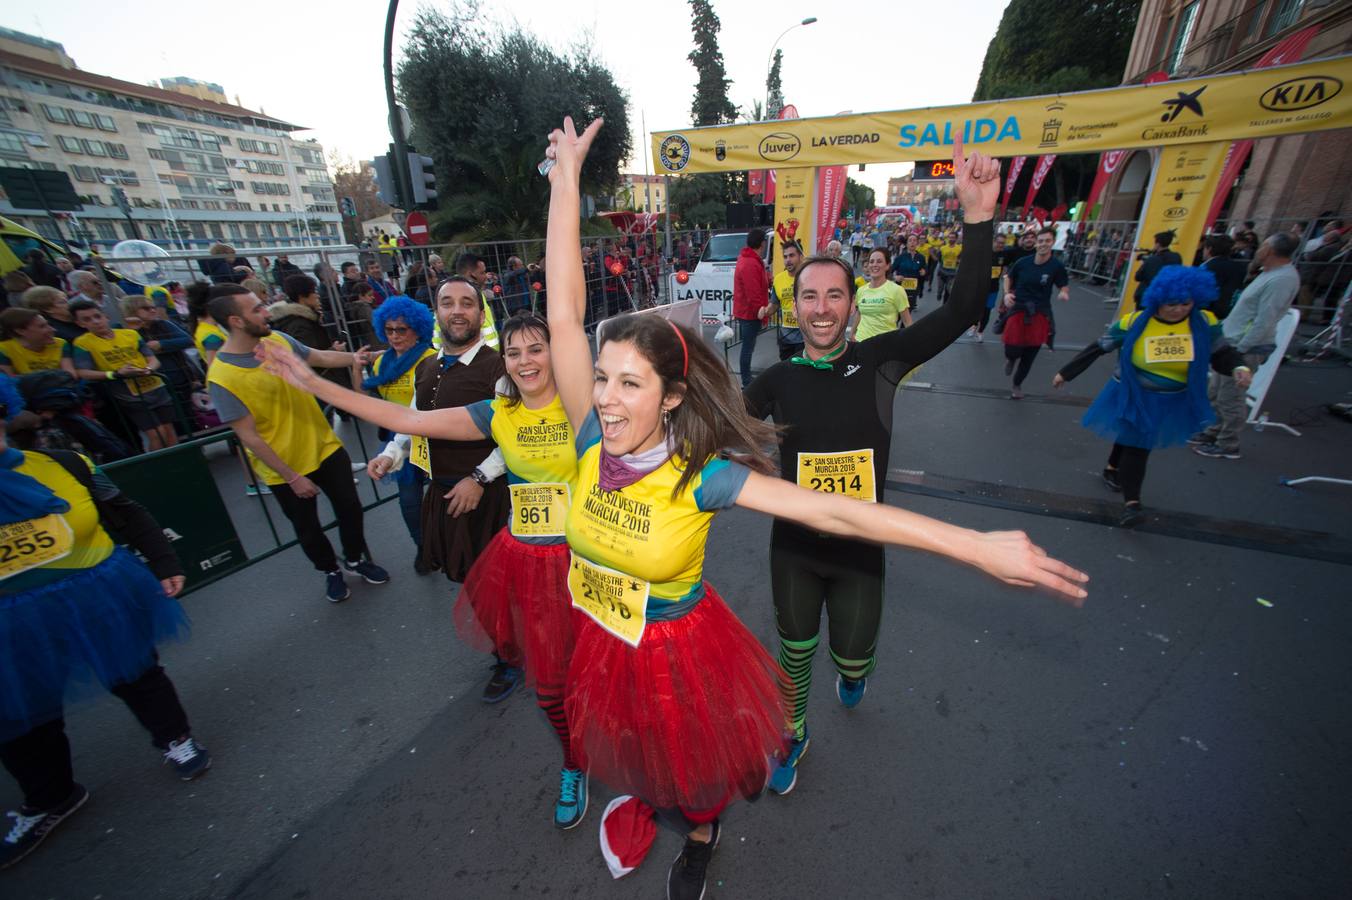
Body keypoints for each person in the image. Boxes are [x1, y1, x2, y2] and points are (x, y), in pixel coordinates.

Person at [543, 116, 1087, 900]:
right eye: (602, 377)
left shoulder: (711, 471)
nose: (605, 396)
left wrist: (974, 547)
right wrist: (566, 184)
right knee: (658, 743)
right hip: (607, 636)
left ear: (667, 396)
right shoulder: (593, 434)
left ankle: (704, 826)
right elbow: (565, 314)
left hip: (691, 642)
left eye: (629, 383)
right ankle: (740, 766)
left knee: (728, 746)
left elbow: (840, 513)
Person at [260, 311, 585, 828]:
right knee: (550, 685)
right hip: (532, 559)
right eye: (516, 351)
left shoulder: (583, 406)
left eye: (537, 349)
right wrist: (311, 381)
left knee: (604, 666)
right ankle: (575, 762)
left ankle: (616, 742)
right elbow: (407, 422)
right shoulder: (495, 413)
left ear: (557, 352)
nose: (526, 361)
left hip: (593, 559)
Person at [744, 149, 998, 797]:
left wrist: (978, 216)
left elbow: (965, 305)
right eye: (809, 296)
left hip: (861, 554)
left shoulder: (884, 360)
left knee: (851, 661)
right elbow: (726, 433)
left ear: (854, 305)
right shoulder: (774, 379)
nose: (822, 308)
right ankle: (794, 729)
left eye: (834, 296)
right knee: (794, 653)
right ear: (792, 306)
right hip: (795, 548)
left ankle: (853, 674)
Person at [0, 382, 209, 871]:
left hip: (93, 594)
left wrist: (162, 559)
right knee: (19, 711)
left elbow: (124, 511)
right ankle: (51, 797)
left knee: (136, 672)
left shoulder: (62, 465)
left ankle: (175, 738)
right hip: (11, 621)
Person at [366, 277, 513, 697]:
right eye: (448, 303)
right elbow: (413, 422)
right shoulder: (427, 367)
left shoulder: (498, 367)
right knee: (470, 580)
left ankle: (511, 656)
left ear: (480, 314)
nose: (457, 310)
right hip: (444, 493)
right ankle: (507, 649)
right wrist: (390, 456)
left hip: (488, 495)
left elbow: (516, 434)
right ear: (437, 314)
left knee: (496, 583)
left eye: (468, 303)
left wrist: (480, 478)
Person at [203, 282, 388, 602]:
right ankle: (330, 570)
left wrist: (360, 357)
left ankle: (356, 560)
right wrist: (292, 476)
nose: (266, 312)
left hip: (325, 448)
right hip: (284, 467)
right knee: (308, 528)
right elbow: (248, 437)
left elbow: (320, 357)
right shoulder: (221, 377)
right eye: (257, 309)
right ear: (235, 321)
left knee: (350, 508)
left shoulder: (277, 340)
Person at [1055, 266, 1250, 527]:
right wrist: (1066, 373)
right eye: (1172, 304)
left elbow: (1222, 353)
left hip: (1174, 397)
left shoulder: (1204, 322)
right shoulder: (1134, 322)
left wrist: (1239, 367)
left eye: (1185, 303)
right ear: (1158, 299)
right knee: (1139, 445)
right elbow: (1099, 347)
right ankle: (1132, 503)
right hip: (1134, 393)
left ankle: (1113, 467)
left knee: (1131, 436)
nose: (1179, 309)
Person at [1190, 232, 1301, 460]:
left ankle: (1228, 444)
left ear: (1270, 251)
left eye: (1264, 246)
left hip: (1245, 347)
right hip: (1231, 342)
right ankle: (1213, 432)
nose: (1259, 249)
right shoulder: (1268, 273)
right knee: (1217, 392)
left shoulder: (1282, 280)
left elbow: (1265, 319)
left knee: (1231, 397)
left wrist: (1241, 350)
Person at [359, 296, 437, 570]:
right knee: (409, 501)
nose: (394, 336)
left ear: (417, 329)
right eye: (389, 330)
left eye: (401, 329)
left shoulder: (432, 359)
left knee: (443, 498)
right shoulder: (382, 365)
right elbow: (373, 402)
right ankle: (423, 548)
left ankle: (450, 545)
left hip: (435, 439)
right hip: (401, 442)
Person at [67, 300, 178, 451]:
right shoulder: (82, 343)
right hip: (129, 396)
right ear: (80, 323)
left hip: (155, 387)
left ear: (105, 316)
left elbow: (152, 359)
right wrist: (115, 374)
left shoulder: (130, 334)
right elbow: (83, 372)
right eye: (87, 319)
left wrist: (148, 369)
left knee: (170, 431)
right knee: (156, 434)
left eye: (97, 316)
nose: (95, 322)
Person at [1000, 228, 1069, 400]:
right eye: (1041, 241)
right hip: (1019, 309)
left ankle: (1017, 384)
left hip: (1040, 313)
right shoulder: (1023, 262)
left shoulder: (1056, 266)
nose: (1043, 244)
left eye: (1047, 241)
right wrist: (1007, 294)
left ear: (1053, 242)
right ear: (1037, 243)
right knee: (1012, 346)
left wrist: (1063, 292)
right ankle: (1010, 358)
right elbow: (1008, 277)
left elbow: (1063, 284)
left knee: (1030, 354)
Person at [121, 295, 195, 429]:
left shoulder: (163, 324)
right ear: (131, 310)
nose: (152, 310)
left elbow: (188, 340)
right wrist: (134, 332)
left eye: (153, 307)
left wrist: (161, 344)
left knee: (188, 418)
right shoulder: (123, 330)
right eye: (145, 308)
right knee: (169, 424)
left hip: (178, 378)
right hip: (150, 385)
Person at [732, 229, 771, 388]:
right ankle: (747, 382)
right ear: (762, 243)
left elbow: (756, 285)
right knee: (747, 348)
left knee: (748, 347)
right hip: (750, 314)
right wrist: (761, 312)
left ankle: (747, 380)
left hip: (748, 312)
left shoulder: (750, 259)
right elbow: (753, 292)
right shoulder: (750, 262)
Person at [853, 247, 912, 342]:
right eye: (871, 262)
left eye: (879, 261)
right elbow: (859, 314)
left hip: (885, 345)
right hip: (861, 343)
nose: (874, 265)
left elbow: (907, 321)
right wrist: (852, 334)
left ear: (887, 265)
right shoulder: (861, 290)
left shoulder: (897, 290)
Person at [0, 308, 77, 378]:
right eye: (42, 326)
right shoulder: (4, 349)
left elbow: (71, 374)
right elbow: (8, 381)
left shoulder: (61, 343)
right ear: (20, 331)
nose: (53, 330)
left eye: (48, 324)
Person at [1199, 234, 1247, 320]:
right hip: (1228, 314)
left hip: (1206, 314)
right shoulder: (1240, 268)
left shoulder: (1206, 267)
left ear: (1209, 249)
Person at [773, 240, 805, 360]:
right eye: (785, 256)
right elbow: (774, 304)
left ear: (801, 257)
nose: (788, 260)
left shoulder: (809, 277)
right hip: (785, 337)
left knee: (802, 373)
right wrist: (765, 310)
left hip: (805, 338)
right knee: (786, 372)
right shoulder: (778, 279)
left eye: (792, 255)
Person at [1133, 231, 1183, 308]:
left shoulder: (1152, 259)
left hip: (1147, 295)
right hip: (1166, 295)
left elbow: (1138, 277)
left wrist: (1144, 264)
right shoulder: (1176, 257)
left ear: (1158, 244)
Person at [935, 232, 962, 303]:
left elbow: (961, 259)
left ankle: (945, 304)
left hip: (952, 273)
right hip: (942, 272)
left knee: (948, 289)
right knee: (940, 289)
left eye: (953, 237)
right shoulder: (943, 248)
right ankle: (939, 294)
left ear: (956, 239)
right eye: (950, 237)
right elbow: (939, 258)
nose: (951, 239)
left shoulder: (959, 249)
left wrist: (958, 262)